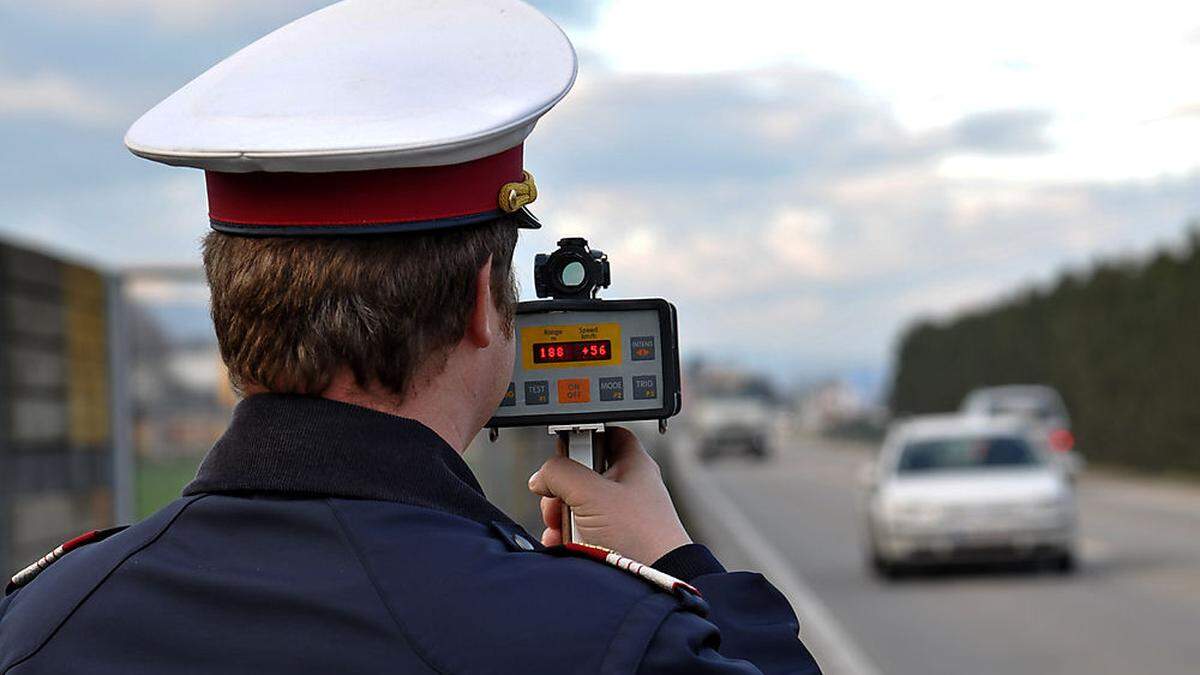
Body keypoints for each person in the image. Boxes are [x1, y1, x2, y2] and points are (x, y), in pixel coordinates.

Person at [0, 2, 822, 673]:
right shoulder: (610, 642)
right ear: (479, 304)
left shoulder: (39, 624)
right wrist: (675, 565)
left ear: (228, 301)